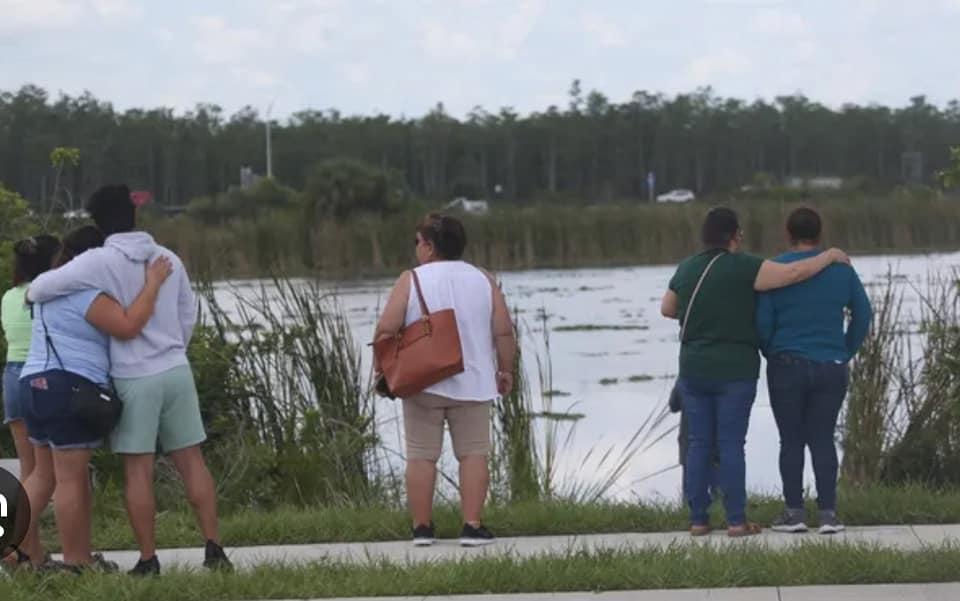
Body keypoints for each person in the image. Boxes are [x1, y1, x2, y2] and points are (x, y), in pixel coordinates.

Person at [27, 184, 231, 575]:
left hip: (133, 376)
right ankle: (214, 549)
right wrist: (171, 349)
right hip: (176, 369)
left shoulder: (99, 261)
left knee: (138, 470)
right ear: (134, 215)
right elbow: (189, 315)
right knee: (192, 460)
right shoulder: (168, 257)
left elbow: (38, 289)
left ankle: (148, 559)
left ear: (98, 222)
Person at [660, 207, 850, 537]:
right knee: (732, 444)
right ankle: (736, 521)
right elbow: (794, 274)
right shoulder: (748, 267)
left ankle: (698, 520)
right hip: (735, 371)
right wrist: (829, 256)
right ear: (734, 236)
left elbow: (668, 308)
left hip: (693, 370)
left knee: (699, 443)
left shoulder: (688, 268)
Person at [17, 225, 172, 572]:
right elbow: (128, 325)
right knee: (71, 479)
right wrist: (153, 283)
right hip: (68, 387)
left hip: (34, 384)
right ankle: (76, 563)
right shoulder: (85, 294)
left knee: (43, 476)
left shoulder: (45, 293)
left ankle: (20, 552)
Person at [374, 213, 516, 548]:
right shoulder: (483, 279)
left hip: (423, 381)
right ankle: (472, 526)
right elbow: (504, 331)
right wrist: (505, 370)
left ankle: (422, 529)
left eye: (418, 242)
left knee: (421, 455)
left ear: (430, 246)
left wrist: (382, 372)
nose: (417, 248)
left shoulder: (412, 279)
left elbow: (385, 329)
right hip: (475, 382)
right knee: (473, 454)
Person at [756, 207, 872, 535]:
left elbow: (763, 322)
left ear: (787, 233)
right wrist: (844, 350)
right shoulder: (842, 270)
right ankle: (828, 515)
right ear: (820, 235)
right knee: (823, 439)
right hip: (831, 366)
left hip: (787, 365)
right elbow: (863, 314)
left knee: (790, 440)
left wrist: (771, 351)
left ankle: (794, 514)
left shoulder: (774, 269)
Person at [2, 235, 60, 485]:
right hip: (41, 377)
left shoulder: (8, 297)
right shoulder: (50, 295)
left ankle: (24, 525)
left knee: (29, 470)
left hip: (12, 379)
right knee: (55, 473)